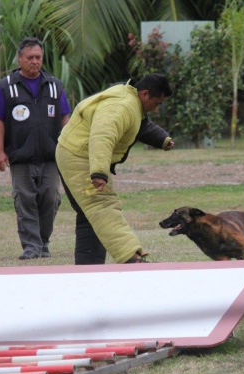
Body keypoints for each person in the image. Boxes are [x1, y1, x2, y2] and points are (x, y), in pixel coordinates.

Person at [56, 74, 174, 264]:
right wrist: (99, 172)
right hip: (79, 155)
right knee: (101, 205)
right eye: (157, 103)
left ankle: (89, 269)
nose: (157, 108)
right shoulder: (121, 107)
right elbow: (102, 137)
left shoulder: (132, 101)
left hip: (77, 151)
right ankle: (131, 258)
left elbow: (139, 125)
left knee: (89, 215)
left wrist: (162, 139)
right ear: (145, 94)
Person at [0, 37, 71, 260]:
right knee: (24, 199)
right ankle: (31, 246)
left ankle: (43, 242)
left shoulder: (54, 86)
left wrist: (69, 148)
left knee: (50, 197)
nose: (34, 61)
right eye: (30, 57)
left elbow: (65, 118)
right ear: (20, 58)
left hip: (51, 156)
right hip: (20, 157)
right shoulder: (6, 87)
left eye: (38, 57)